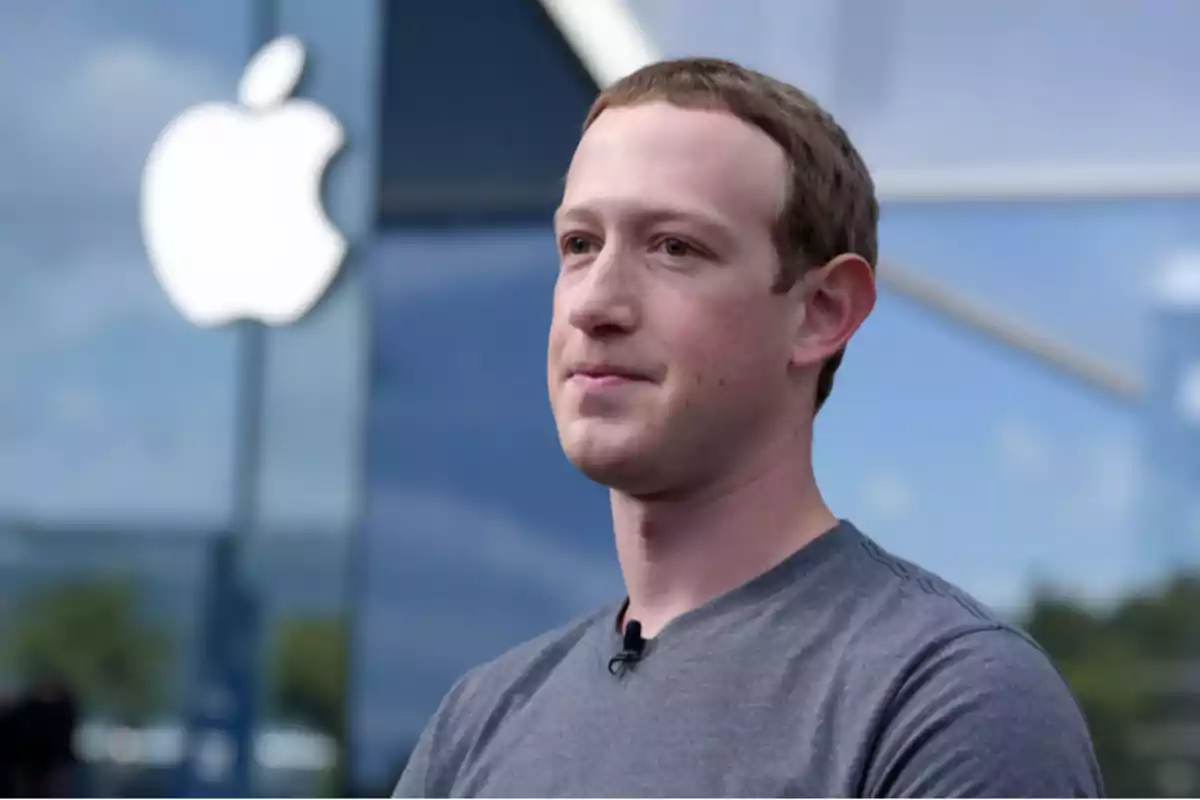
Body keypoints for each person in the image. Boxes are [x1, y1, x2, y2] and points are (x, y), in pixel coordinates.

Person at [394, 57, 1103, 798]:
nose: (594, 303)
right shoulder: (480, 723)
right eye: (579, 245)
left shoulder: (949, 702)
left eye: (674, 246)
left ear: (822, 311)